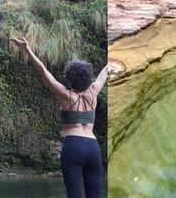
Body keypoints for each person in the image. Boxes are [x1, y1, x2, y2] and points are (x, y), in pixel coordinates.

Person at [10, 37, 107, 198]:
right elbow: (105, 71)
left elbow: (42, 70)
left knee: (74, 194)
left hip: (73, 146)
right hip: (93, 147)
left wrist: (26, 49)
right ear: (88, 77)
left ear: (69, 77)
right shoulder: (94, 91)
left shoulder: (65, 95)